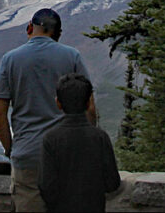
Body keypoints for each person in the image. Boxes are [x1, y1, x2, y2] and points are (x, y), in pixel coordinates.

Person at [0, 8, 95, 212]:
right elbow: (89, 108)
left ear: (30, 28)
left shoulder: (10, 59)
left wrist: (10, 148)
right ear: (58, 33)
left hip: (27, 155)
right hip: (67, 154)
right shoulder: (72, 56)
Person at [39, 73, 120, 212]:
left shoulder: (50, 139)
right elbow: (113, 183)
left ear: (58, 103)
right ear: (88, 103)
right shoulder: (100, 137)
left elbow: (45, 185)